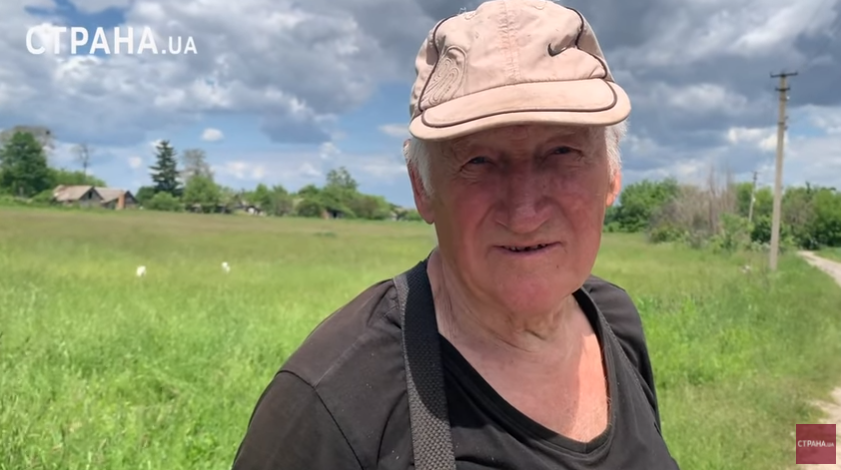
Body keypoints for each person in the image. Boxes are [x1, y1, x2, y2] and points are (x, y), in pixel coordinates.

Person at [231, 0, 681, 468]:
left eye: (563, 152)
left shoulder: (615, 320)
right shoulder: (331, 405)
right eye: (478, 161)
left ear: (612, 175)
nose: (524, 213)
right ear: (422, 188)